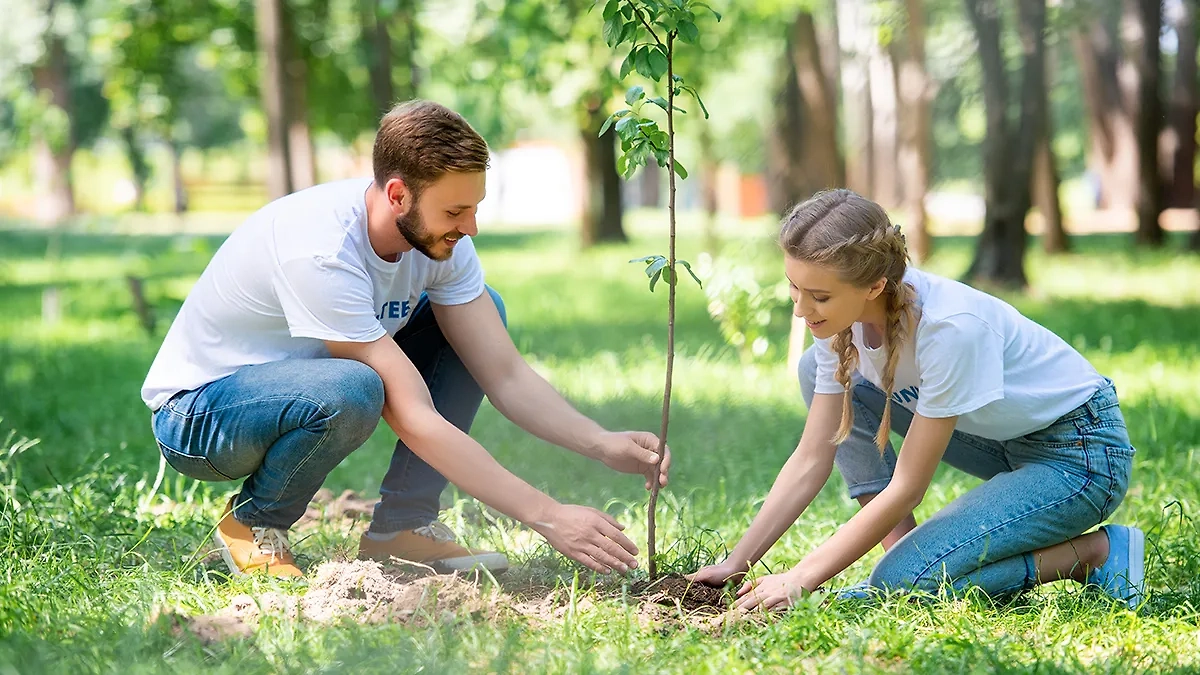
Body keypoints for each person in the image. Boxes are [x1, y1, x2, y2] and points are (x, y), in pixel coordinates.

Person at [142, 100, 669, 578]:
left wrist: (602, 443)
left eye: (475, 208)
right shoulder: (322, 248)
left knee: (481, 310)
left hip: (299, 391)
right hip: (200, 417)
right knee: (354, 389)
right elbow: (411, 414)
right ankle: (253, 523)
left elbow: (504, 374)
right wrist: (547, 516)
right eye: (455, 212)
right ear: (398, 194)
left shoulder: (443, 243)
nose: (471, 228)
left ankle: (403, 528)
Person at [688, 189, 1143, 610]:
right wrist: (738, 561)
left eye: (820, 296)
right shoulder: (834, 325)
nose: (800, 309)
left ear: (873, 286)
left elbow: (909, 484)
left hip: (1079, 457)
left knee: (905, 586)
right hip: (1001, 441)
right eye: (794, 287)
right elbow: (812, 458)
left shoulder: (949, 329)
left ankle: (1096, 554)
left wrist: (803, 576)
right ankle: (903, 554)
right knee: (813, 370)